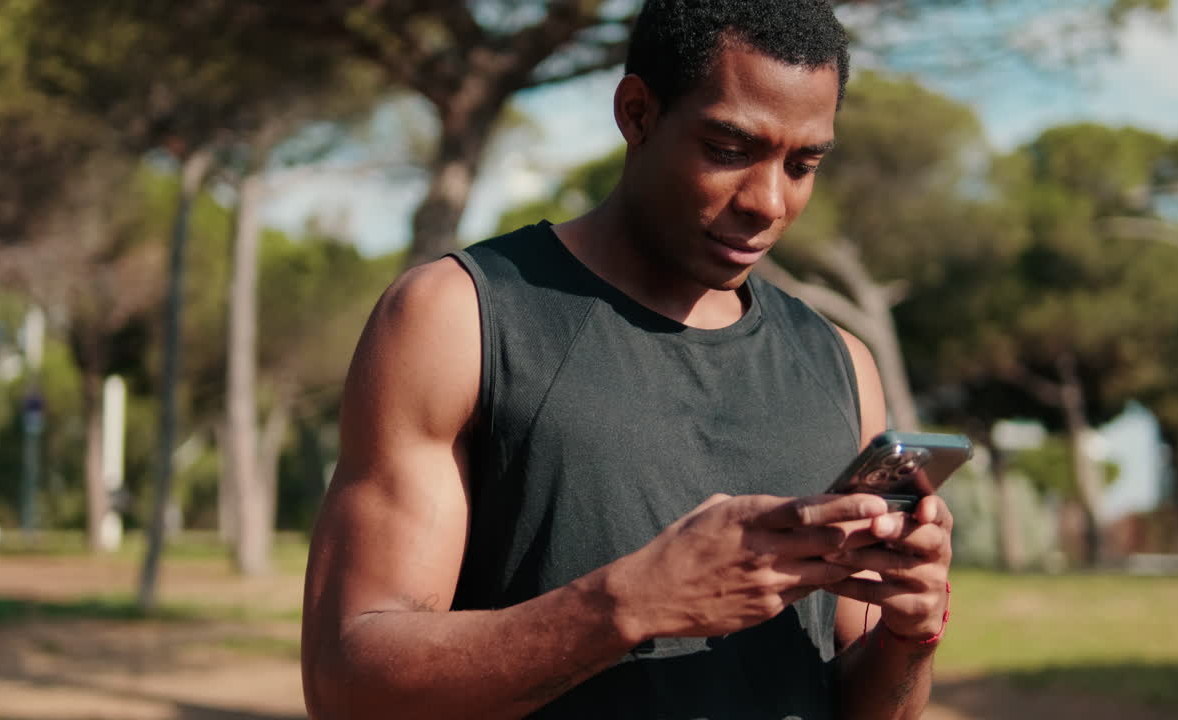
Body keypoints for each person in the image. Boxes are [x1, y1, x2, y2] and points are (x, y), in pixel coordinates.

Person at [301, 1, 954, 718]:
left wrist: (908, 637)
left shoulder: (841, 364)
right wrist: (631, 603)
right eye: (730, 149)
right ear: (637, 113)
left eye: (803, 164)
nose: (769, 202)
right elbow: (347, 684)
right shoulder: (457, 317)